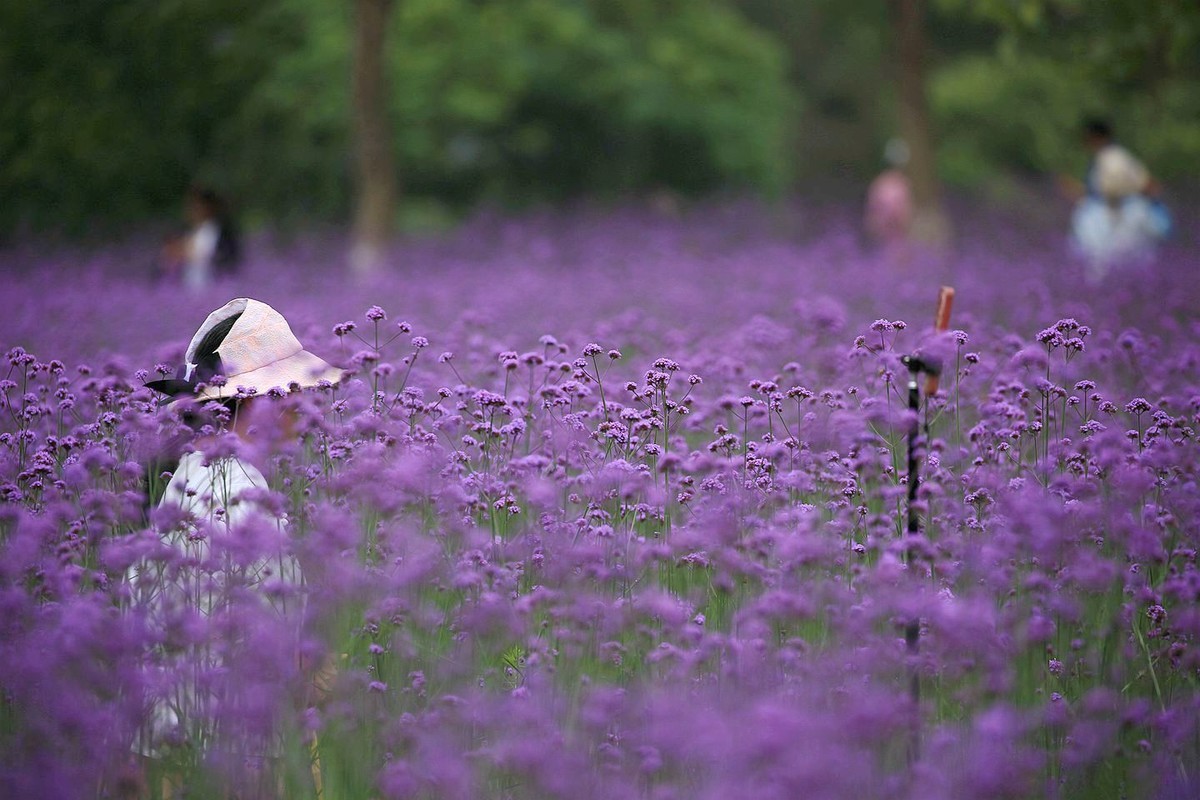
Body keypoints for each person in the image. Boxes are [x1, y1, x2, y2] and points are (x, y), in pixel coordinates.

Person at [129, 298, 341, 795]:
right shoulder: (251, 505)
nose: (302, 407)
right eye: (291, 392)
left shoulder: (181, 480)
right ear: (257, 402)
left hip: (164, 757)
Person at [1063, 119, 1171, 280]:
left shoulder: (1113, 158)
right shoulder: (1112, 157)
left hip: (1117, 219)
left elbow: (1129, 188)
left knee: (1110, 262)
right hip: (1120, 215)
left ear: (1095, 137)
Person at [159, 187, 242, 289]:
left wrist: (184, 252)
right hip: (190, 287)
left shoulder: (221, 232)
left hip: (212, 286)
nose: (191, 210)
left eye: (196, 206)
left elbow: (221, 258)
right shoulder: (190, 231)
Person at [864, 139, 914, 259]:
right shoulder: (903, 184)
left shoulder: (880, 183)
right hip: (890, 236)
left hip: (892, 236)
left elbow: (872, 214)